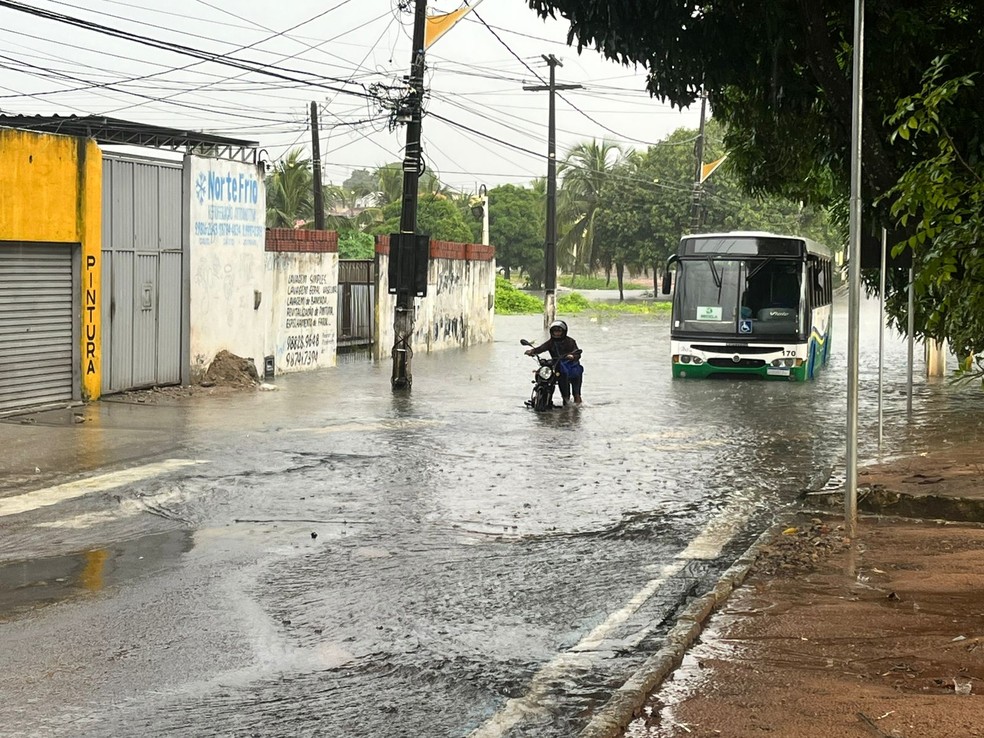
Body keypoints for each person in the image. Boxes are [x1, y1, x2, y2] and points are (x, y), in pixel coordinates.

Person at [525, 320, 584, 404]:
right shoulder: (551, 342)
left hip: (571, 367)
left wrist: (572, 356)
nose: (557, 333)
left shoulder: (570, 341)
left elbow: (577, 353)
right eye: (555, 331)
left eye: (559, 331)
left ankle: (576, 407)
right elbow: (541, 348)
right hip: (557, 366)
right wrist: (532, 351)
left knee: (576, 393)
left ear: (564, 331)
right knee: (546, 375)